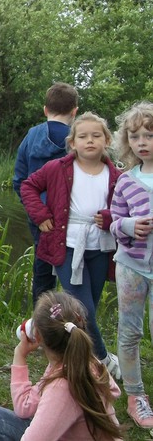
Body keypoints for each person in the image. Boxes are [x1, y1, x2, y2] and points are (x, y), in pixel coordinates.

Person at [20, 112, 121, 379]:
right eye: (83, 136)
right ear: (73, 142)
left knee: (88, 310)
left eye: (96, 136)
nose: (90, 141)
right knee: (82, 309)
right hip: (66, 246)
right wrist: (41, 216)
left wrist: (110, 217)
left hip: (101, 246)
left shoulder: (116, 175)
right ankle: (102, 363)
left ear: (106, 140)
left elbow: (126, 208)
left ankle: (73, 358)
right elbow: (28, 186)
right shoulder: (58, 168)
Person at [0, 290, 123, 441]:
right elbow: (24, 408)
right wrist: (19, 356)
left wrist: (19, 354)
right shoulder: (85, 361)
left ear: (38, 336)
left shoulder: (62, 387)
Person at [13, 82, 79, 305]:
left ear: (45, 110)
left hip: (40, 219)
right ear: (74, 111)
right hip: (72, 217)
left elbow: (19, 180)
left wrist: (35, 212)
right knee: (74, 273)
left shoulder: (32, 136)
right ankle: (72, 323)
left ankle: (41, 325)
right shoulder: (79, 140)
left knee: (42, 273)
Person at [109, 101, 153, 429]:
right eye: (135, 136)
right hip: (131, 266)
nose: (142, 142)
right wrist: (128, 226)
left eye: (149, 135)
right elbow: (114, 221)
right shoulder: (126, 181)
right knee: (130, 332)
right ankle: (135, 396)